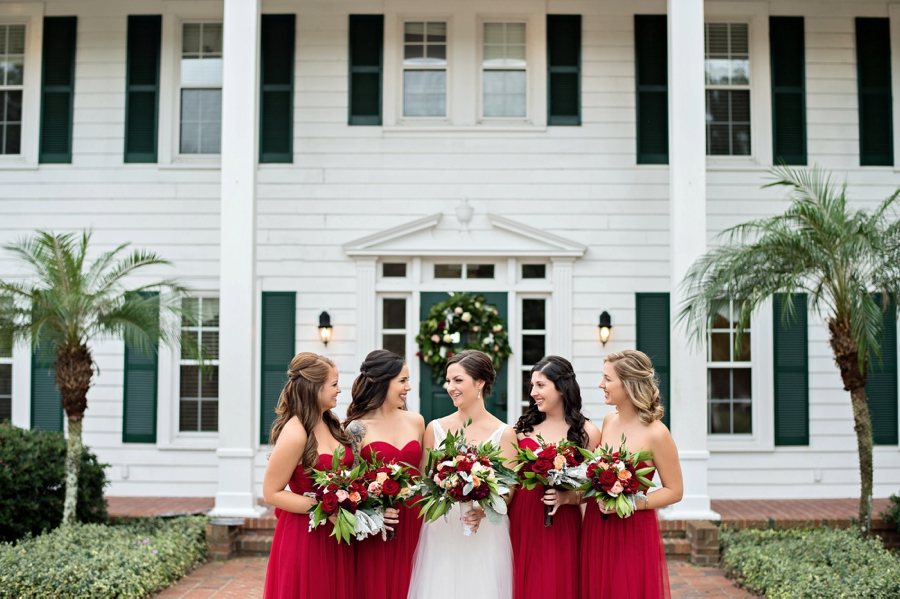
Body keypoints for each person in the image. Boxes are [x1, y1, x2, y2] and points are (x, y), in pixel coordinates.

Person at [407, 350, 518, 599]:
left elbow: (507, 492)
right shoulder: (434, 428)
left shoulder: (504, 434)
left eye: (458, 380)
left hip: (484, 529)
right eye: (448, 381)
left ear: (480, 383)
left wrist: (481, 511)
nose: (450, 387)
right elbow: (425, 482)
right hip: (442, 528)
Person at [579, 350, 683, 599]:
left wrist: (630, 503)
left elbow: (675, 490)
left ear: (628, 385)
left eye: (607, 379)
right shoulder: (608, 421)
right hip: (597, 523)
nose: (600, 384)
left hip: (631, 527)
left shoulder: (657, 433)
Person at [262, 352, 354, 599]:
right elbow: (271, 493)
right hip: (306, 536)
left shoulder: (329, 422)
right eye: (334, 385)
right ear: (314, 388)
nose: (339, 390)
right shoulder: (295, 432)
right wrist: (327, 507)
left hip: (335, 534)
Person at [509, 355, 601, 599]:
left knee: (556, 583)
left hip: (562, 519)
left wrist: (569, 497)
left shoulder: (588, 433)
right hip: (522, 513)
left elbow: (592, 487)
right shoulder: (522, 429)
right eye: (532, 385)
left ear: (562, 388)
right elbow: (508, 475)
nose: (533, 392)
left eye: (540, 385)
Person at [344, 350, 425, 599]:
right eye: (402, 381)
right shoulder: (356, 428)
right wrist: (376, 510)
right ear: (380, 382)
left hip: (414, 520)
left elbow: (422, 478)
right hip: (377, 525)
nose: (408, 387)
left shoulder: (417, 421)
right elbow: (351, 486)